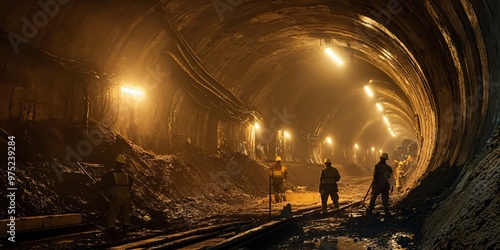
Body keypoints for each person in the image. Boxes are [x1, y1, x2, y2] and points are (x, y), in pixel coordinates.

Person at [96, 154, 135, 233]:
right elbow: (131, 181)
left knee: (112, 211)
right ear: (123, 165)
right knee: (125, 212)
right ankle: (126, 226)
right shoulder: (127, 175)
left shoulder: (111, 174)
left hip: (116, 196)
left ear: (115, 163)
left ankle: (111, 228)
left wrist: (97, 186)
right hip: (126, 196)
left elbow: (103, 183)